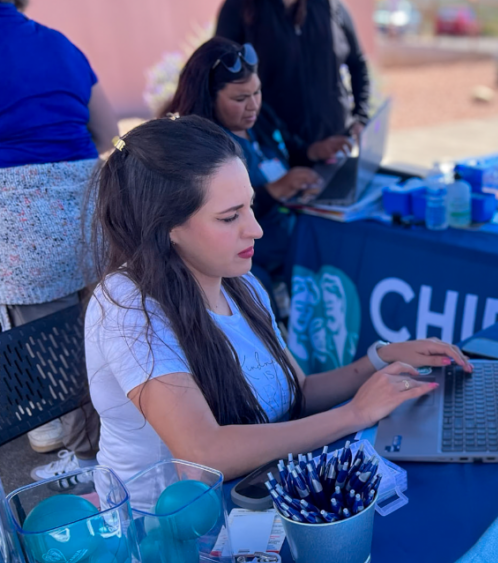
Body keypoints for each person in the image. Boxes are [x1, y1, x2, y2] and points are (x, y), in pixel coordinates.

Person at [85, 115, 473, 483]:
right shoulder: (126, 306)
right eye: (229, 217)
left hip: (259, 495)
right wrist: (354, 414)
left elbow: (296, 393)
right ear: (167, 227)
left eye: (249, 206)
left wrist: (382, 359)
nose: (254, 229)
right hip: (162, 535)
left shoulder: (242, 283)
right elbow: (203, 454)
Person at [0, 0, 118, 482]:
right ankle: (99, 439)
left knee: (54, 351)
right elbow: (109, 132)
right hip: (90, 220)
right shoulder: (61, 45)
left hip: (21, 231)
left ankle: (89, 460)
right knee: (102, 337)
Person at [164, 37, 347, 310]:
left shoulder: (258, 120)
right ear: (208, 98)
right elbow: (210, 215)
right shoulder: (199, 148)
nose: (253, 106)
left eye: (257, 93)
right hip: (251, 256)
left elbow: (285, 148)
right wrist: (272, 192)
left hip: (292, 234)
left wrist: (313, 152)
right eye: (240, 98)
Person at [215, 0, 370, 162]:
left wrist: (361, 117)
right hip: (278, 151)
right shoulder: (239, 7)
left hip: (336, 146)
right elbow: (222, 76)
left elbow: (358, 63)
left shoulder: (330, 5)